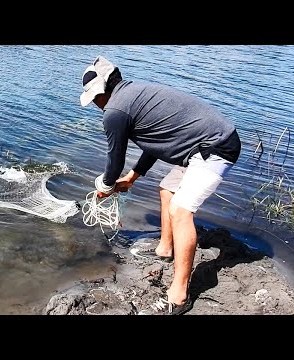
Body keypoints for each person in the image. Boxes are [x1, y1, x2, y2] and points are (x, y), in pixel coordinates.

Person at [80, 55, 242, 315]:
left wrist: (106, 185)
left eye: (95, 98)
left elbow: (115, 159)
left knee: (181, 210)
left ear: (103, 91)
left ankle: (179, 296)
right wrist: (132, 178)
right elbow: (156, 141)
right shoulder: (132, 94)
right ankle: (165, 249)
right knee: (167, 190)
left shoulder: (115, 111)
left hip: (214, 148)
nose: (96, 105)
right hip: (200, 147)